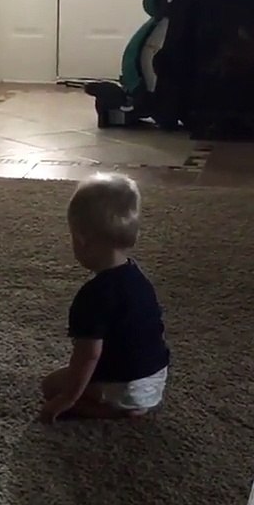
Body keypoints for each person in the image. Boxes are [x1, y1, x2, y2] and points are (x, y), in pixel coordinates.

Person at [39, 172, 170, 423]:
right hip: (155, 380)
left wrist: (67, 398)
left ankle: (114, 410)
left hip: (124, 386)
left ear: (81, 240)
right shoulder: (137, 277)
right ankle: (134, 402)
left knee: (50, 386)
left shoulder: (92, 296)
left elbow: (88, 355)